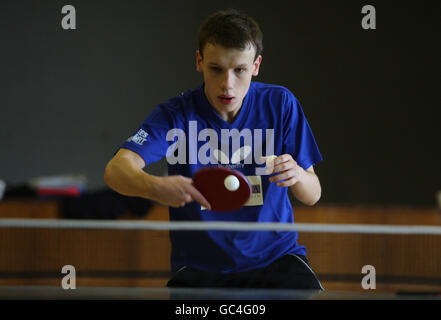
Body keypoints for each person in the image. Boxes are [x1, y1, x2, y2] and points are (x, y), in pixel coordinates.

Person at [104, 9, 324, 290]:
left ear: (256, 66)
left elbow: (313, 194)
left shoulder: (281, 104)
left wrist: (297, 176)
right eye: (216, 69)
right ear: (199, 61)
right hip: (200, 269)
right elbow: (115, 170)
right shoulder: (176, 115)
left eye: (239, 70)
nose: (227, 84)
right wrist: (154, 187)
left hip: (277, 261)